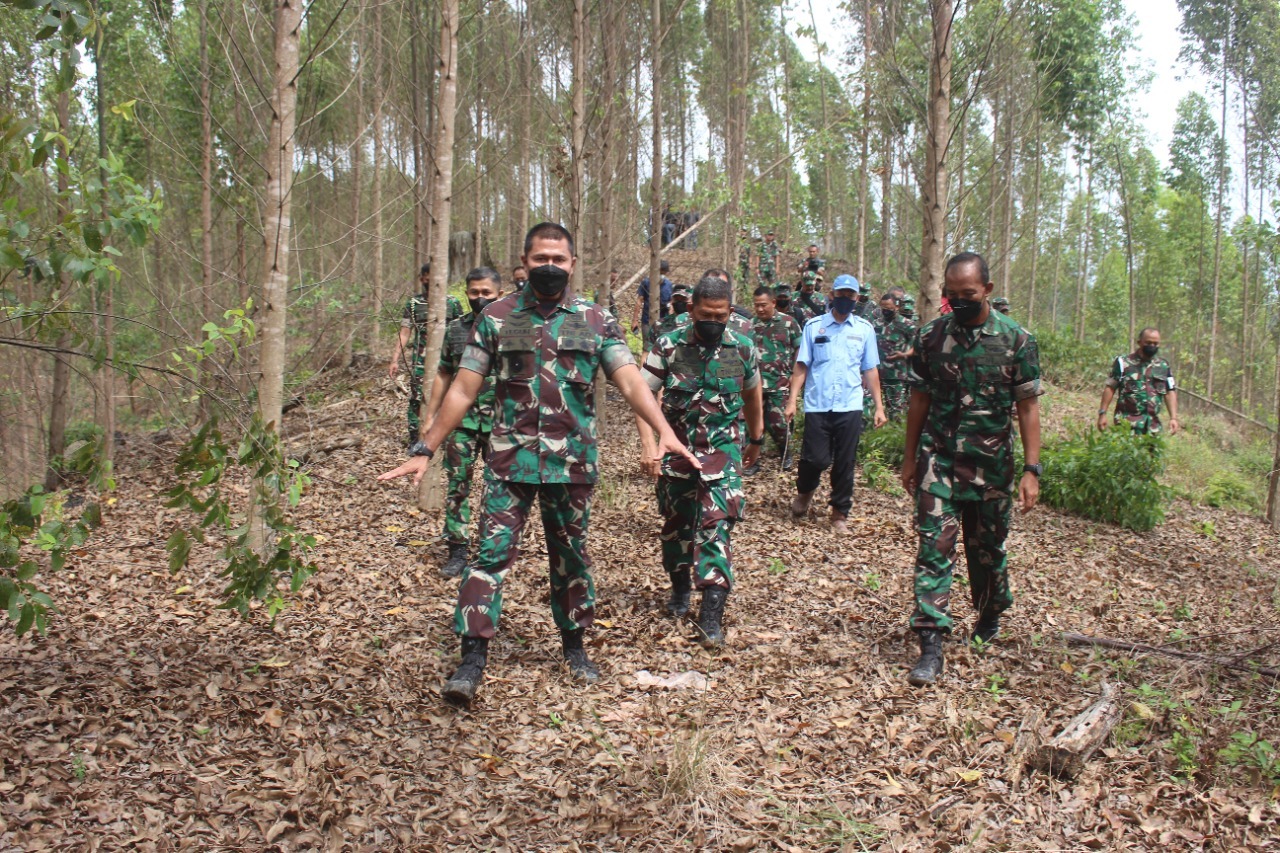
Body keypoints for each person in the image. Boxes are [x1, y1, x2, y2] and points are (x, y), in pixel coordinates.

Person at [378, 222, 698, 706]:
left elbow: (631, 381)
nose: (549, 267)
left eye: (559, 259)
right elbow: (463, 389)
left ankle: (574, 646)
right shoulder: (497, 317)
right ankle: (472, 657)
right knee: (489, 558)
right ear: (524, 264)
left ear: (572, 264)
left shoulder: (596, 318)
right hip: (510, 465)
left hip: (571, 467)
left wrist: (664, 430)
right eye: (540, 259)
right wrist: (426, 448)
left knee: (571, 559)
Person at [900, 252, 1043, 686]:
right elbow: (920, 400)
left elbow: (1028, 407)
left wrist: (1032, 469)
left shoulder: (1016, 340)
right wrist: (909, 457)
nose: (960, 301)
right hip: (938, 460)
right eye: (952, 294)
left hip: (991, 467)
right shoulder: (930, 337)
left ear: (988, 291)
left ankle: (989, 613)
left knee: (988, 553)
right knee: (933, 549)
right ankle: (930, 643)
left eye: (969, 294)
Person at [636, 276, 764, 649]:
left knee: (716, 528)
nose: (713, 321)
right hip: (676, 452)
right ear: (691, 310)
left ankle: (711, 614)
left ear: (729, 312)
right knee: (677, 527)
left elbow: (753, 394)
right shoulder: (669, 345)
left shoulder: (742, 347)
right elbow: (643, 396)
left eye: (721, 315)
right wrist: (649, 445)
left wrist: (756, 438)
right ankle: (679, 587)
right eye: (706, 314)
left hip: (722, 454)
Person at [785, 274, 886, 533]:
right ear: (831, 295)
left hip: (849, 405)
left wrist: (879, 406)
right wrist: (792, 401)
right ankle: (805, 491)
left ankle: (839, 513)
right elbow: (801, 366)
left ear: (856, 298)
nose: (844, 299)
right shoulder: (814, 326)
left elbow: (870, 370)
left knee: (845, 461)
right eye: (840, 294)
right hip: (818, 404)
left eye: (850, 295)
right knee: (815, 459)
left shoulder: (864, 329)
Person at [420, 267, 502, 578]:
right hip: (462, 423)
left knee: (497, 490)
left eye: (487, 293)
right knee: (457, 487)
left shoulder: (512, 329)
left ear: (499, 294)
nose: (480, 298)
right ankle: (457, 550)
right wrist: (432, 414)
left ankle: (491, 551)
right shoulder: (455, 329)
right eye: (474, 293)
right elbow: (443, 372)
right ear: (466, 294)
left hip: (500, 423)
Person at [750, 285, 801, 473]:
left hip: (780, 384)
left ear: (773, 302)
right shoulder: (750, 325)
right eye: (756, 305)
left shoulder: (789, 323)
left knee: (778, 424)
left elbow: (799, 350)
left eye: (763, 305)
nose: (760, 309)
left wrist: (794, 375)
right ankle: (753, 460)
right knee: (753, 425)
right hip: (754, 385)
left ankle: (786, 454)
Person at [1097, 328, 1179, 435]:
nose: (1152, 346)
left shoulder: (1163, 366)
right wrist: (1102, 413)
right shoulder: (1124, 363)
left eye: (1155, 343)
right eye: (1148, 343)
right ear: (1139, 342)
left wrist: (1173, 418)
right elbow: (1110, 388)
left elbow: (1169, 392)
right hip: (1126, 426)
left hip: (1153, 427)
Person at [389, 264, 433, 447]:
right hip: (420, 362)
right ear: (422, 278)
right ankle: (415, 440)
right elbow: (405, 332)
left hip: (447, 362)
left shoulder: (452, 303)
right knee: (416, 400)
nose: (431, 281)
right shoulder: (414, 304)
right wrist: (395, 359)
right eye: (427, 277)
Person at [875, 293, 914, 421]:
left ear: (896, 307)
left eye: (889, 307)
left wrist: (904, 355)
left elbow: (918, 345)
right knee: (879, 405)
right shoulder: (876, 324)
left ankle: (896, 434)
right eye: (883, 307)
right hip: (877, 373)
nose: (886, 310)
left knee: (897, 408)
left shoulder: (906, 324)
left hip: (897, 373)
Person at [632, 258, 673, 341]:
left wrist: (670, 321)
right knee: (647, 347)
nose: (662, 275)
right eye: (660, 272)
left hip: (663, 322)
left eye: (664, 273)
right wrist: (635, 320)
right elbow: (639, 300)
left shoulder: (669, 285)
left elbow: (671, 304)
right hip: (648, 321)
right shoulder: (646, 282)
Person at [647, 283, 692, 349]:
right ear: (671, 300)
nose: (679, 302)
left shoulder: (696, 324)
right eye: (676, 299)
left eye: (683, 299)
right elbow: (647, 352)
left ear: (692, 300)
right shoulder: (659, 324)